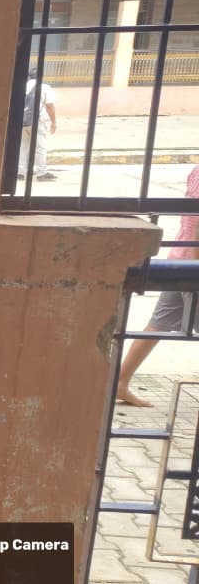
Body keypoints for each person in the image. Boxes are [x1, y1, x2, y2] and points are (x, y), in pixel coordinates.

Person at [116, 164, 199, 407]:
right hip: (191, 262)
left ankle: (121, 380)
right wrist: (195, 267)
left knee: (159, 322)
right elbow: (196, 223)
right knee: (161, 321)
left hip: (180, 260)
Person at [20, 64, 59, 182]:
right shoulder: (44, 87)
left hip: (22, 121)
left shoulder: (23, 86)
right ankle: (42, 173)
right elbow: (50, 106)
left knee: (23, 146)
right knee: (40, 147)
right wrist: (53, 122)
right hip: (37, 121)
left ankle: (20, 172)